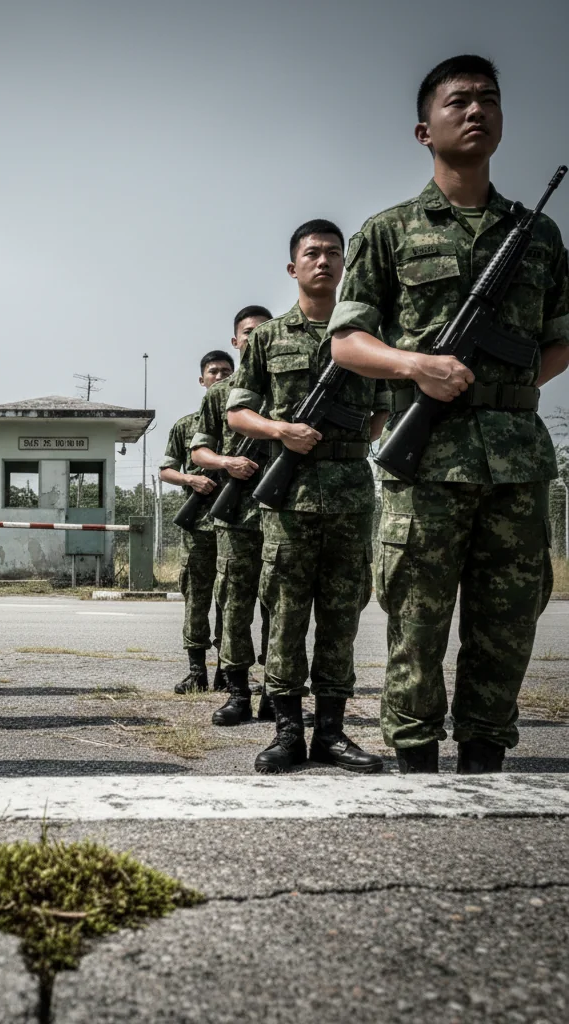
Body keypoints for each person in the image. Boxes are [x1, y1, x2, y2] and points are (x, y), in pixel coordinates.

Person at [330, 55, 569, 774]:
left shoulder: (538, 235)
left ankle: (485, 761)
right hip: (426, 462)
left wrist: (507, 384)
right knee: (416, 624)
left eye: (488, 100)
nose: (476, 111)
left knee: (508, 625)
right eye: (458, 101)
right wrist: (418, 368)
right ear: (423, 130)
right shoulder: (388, 232)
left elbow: (560, 337)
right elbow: (347, 342)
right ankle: (415, 765)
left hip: (516, 463)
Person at [226, 220, 387, 773]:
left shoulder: (368, 335)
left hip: (349, 498)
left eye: (333, 253)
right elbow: (238, 411)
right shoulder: (269, 337)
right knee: (287, 616)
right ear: (293, 267)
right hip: (288, 498)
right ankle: (289, 732)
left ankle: (332, 734)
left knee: (342, 618)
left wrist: (348, 441)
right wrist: (282, 432)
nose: (323, 261)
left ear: (344, 265)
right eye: (312, 253)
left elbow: (382, 408)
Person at [191, 307, 276, 723]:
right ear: (236, 341)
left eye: (263, 331)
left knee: (280, 606)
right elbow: (198, 451)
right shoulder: (219, 394)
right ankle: (238, 693)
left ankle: (275, 693)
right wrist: (227, 463)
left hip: (281, 513)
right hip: (237, 515)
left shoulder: (287, 389)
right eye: (248, 333)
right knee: (235, 605)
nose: (255, 338)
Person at [159, 349, 235, 692]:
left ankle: (229, 671)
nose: (219, 377)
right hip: (199, 526)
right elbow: (166, 470)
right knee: (196, 599)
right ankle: (196, 671)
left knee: (232, 600)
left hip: (235, 524)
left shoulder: (245, 422)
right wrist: (191, 479)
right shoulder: (185, 425)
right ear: (202, 379)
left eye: (226, 371)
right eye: (213, 371)